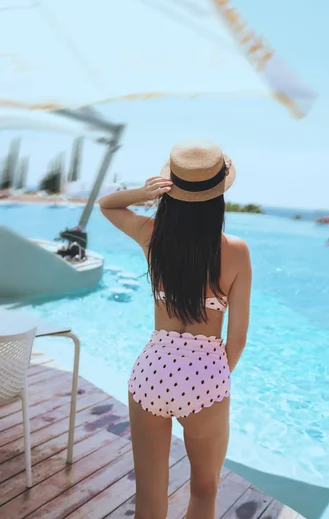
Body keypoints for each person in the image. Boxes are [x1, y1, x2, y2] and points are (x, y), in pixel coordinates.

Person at [99, 139, 251, 519]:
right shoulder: (236, 251)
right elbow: (238, 337)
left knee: (150, 499)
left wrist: (142, 191)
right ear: (217, 197)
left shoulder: (153, 237)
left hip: (151, 371)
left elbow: (107, 205)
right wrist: (210, 377)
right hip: (205, 378)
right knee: (204, 491)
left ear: (171, 189)